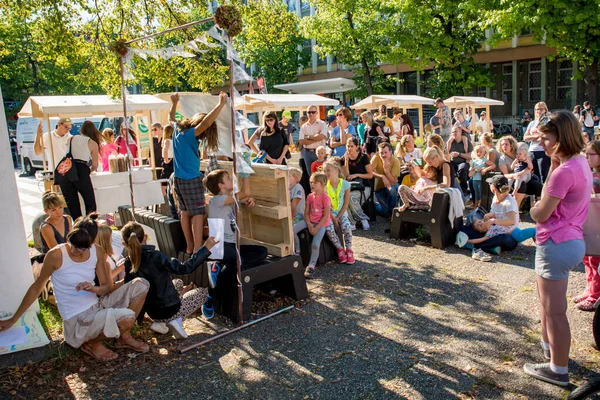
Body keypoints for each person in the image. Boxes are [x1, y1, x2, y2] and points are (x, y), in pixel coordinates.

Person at [0, 214, 150, 360]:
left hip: (97, 306)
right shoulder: (56, 255)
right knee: (127, 317)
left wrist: (94, 289)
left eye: (82, 248)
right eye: (73, 245)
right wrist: (13, 319)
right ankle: (93, 344)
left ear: (91, 243)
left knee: (141, 284)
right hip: (77, 319)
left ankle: (124, 337)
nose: (75, 251)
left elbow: (106, 288)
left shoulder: (96, 251)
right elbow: (36, 288)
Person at [523, 111, 592, 387]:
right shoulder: (579, 163)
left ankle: (558, 370)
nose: (542, 143)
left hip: (556, 242)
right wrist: (553, 164)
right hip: (571, 240)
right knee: (549, 305)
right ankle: (552, 354)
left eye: (546, 138)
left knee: (554, 311)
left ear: (561, 137)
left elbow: (541, 213)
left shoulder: (564, 172)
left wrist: (531, 209)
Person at [121, 221, 217, 339]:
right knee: (203, 292)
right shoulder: (155, 256)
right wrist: (205, 248)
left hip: (152, 312)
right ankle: (176, 320)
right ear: (145, 237)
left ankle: (161, 324)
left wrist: (139, 320)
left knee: (178, 282)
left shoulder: (128, 262)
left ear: (124, 244)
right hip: (170, 309)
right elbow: (184, 268)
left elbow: (131, 293)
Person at [202, 169, 267, 319]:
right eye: (228, 178)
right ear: (221, 186)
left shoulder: (228, 198)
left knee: (261, 252)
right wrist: (245, 174)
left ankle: (217, 268)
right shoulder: (216, 200)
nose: (232, 179)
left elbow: (244, 197)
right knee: (234, 263)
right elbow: (245, 192)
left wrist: (250, 200)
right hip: (220, 245)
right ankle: (211, 297)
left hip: (232, 246)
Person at [170, 92, 228, 254]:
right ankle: (196, 248)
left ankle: (189, 246)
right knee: (198, 213)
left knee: (185, 212)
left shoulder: (178, 130)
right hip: (191, 179)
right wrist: (221, 104)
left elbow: (171, 116)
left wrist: (174, 102)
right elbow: (207, 121)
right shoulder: (190, 135)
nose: (202, 137)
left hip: (179, 179)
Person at [572, 140, 600, 311]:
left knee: (595, 259)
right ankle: (589, 289)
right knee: (587, 258)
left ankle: (595, 295)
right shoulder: (589, 174)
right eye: (586, 153)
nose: (587, 157)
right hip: (587, 222)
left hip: (597, 224)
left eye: (592, 154)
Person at [61, 120, 99, 220]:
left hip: (68, 171)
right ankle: (90, 226)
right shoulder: (93, 143)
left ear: (81, 130)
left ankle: (77, 227)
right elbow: (95, 165)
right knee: (90, 203)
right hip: (82, 169)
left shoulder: (71, 139)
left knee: (73, 205)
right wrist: (89, 170)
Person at [497, 135, 543, 209]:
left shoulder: (520, 152)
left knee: (538, 186)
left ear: (512, 145)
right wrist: (515, 175)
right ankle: (515, 210)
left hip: (525, 176)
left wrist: (521, 173)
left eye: (506, 144)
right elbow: (505, 174)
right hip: (512, 181)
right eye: (502, 144)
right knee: (521, 185)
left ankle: (540, 208)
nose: (504, 146)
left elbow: (529, 168)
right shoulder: (502, 158)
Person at [324, 160, 354, 264]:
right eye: (325, 171)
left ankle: (349, 250)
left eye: (328, 170)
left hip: (341, 213)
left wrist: (338, 217)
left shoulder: (345, 184)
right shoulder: (324, 186)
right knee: (328, 228)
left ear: (336, 170)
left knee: (346, 226)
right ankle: (340, 248)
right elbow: (325, 207)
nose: (326, 173)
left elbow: (346, 204)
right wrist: (333, 218)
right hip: (329, 214)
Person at [303, 172, 333, 279]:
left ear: (322, 184)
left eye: (315, 182)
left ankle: (311, 265)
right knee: (292, 229)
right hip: (310, 221)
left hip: (321, 224)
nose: (312, 184)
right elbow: (306, 213)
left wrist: (316, 227)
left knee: (315, 243)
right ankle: (296, 252)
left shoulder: (325, 198)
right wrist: (310, 225)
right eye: (311, 182)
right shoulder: (310, 196)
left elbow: (326, 216)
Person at [341, 137, 373, 230]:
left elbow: (370, 175)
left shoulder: (363, 157)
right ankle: (357, 221)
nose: (349, 148)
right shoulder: (344, 158)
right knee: (345, 198)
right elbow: (347, 176)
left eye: (351, 146)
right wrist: (346, 162)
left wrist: (357, 175)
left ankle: (356, 221)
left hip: (364, 187)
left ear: (357, 147)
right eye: (348, 146)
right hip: (351, 187)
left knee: (350, 198)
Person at [371, 142, 401, 218]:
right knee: (385, 212)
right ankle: (376, 205)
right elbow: (369, 171)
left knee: (392, 190)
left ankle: (392, 214)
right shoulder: (376, 157)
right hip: (379, 188)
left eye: (385, 152)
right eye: (381, 153)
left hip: (391, 186)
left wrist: (387, 171)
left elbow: (394, 181)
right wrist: (382, 176)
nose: (383, 155)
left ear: (390, 152)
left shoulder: (395, 161)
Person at [524, 102, 551, 183]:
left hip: (542, 151)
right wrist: (537, 136)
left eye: (540, 109)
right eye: (536, 109)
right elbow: (525, 137)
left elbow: (545, 137)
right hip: (532, 151)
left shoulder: (548, 122)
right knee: (534, 175)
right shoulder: (532, 123)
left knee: (543, 175)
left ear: (545, 110)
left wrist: (535, 137)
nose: (538, 111)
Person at [298, 105, 328, 174]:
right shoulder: (304, 126)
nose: (311, 114)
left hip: (321, 152)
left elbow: (322, 136)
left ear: (317, 113)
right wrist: (316, 137)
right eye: (309, 112)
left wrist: (308, 137)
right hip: (308, 153)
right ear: (307, 113)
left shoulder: (322, 124)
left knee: (323, 175)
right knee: (311, 176)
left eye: (313, 112)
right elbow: (301, 141)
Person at [448, 125, 473, 195]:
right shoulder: (450, 142)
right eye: (452, 132)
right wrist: (450, 154)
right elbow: (444, 155)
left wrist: (459, 154)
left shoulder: (466, 141)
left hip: (463, 161)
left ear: (460, 132)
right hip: (452, 162)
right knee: (448, 168)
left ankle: (463, 190)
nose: (454, 133)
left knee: (462, 169)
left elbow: (471, 156)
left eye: (456, 131)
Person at [289, 168, 306, 254]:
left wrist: (291, 219)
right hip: (292, 215)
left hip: (299, 216)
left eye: (289, 176)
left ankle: (297, 249)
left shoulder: (297, 187)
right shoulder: (289, 188)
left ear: (296, 179)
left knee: (291, 230)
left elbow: (294, 205)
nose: (286, 178)